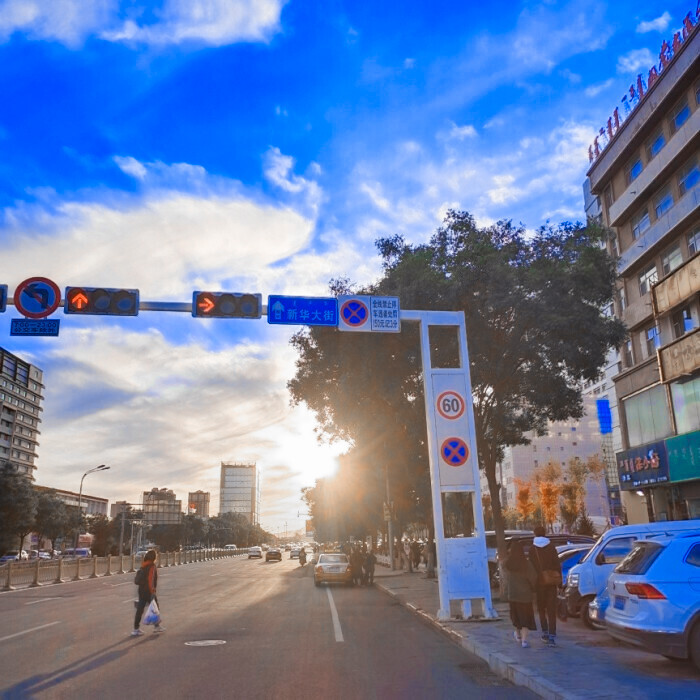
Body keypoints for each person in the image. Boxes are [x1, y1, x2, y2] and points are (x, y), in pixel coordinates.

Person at [529, 525, 562, 646]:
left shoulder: (533, 549)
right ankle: (552, 636)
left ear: (535, 534)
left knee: (541, 609)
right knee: (551, 609)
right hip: (551, 582)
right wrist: (559, 581)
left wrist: (532, 583)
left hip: (539, 583)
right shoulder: (551, 546)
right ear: (545, 533)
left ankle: (545, 632)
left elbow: (531, 567)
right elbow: (557, 564)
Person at [503, 540, 537, 648]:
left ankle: (517, 634)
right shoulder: (526, 564)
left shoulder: (507, 564)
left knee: (516, 616)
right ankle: (524, 641)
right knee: (525, 618)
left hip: (512, 595)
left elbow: (505, 578)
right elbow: (533, 578)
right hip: (525, 596)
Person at [132, 550, 163, 636]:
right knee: (155, 608)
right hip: (149, 591)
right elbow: (151, 580)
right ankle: (157, 627)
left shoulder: (144, 565)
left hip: (141, 590)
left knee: (140, 610)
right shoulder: (152, 566)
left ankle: (136, 629)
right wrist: (153, 591)